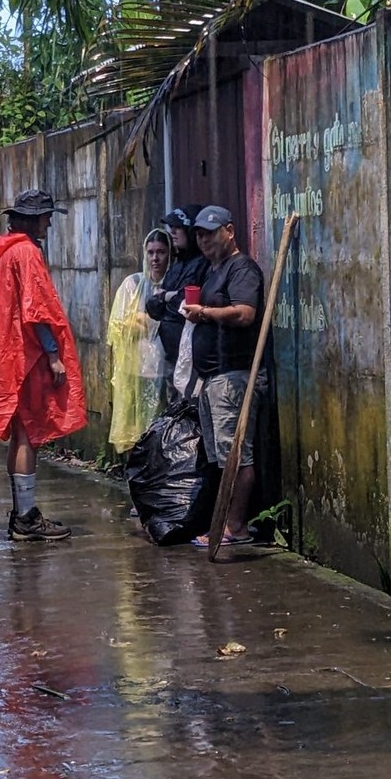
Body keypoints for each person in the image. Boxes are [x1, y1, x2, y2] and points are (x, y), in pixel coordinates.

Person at [0, 187, 87, 542]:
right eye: (46, 217)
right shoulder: (26, 254)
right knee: (27, 435)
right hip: (27, 356)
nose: (49, 223)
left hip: (11, 355)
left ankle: (22, 513)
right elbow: (36, 310)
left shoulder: (10, 253)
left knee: (21, 434)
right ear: (33, 219)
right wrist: (53, 356)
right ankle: (25, 518)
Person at [182, 204, 272, 548]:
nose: (204, 240)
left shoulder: (242, 269)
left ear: (229, 231)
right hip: (213, 377)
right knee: (221, 454)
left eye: (210, 232)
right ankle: (225, 521)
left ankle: (236, 526)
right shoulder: (211, 270)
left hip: (234, 376)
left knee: (236, 453)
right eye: (200, 235)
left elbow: (245, 314)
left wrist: (204, 312)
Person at [106, 228, 172, 452]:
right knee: (136, 434)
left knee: (162, 429)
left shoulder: (173, 285)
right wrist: (141, 321)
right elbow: (117, 328)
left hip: (166, 371)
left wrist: (142, 320)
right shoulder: (132, 285)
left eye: (161, 252)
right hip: (136, 371)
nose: (155, 258)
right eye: (151, 252)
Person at [144, 206, 209, 394]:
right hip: (173, 357)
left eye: (178, 227)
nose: (172, 232)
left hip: (194, 359)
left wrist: (166, 297)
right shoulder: (177, 265)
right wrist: (166, 297)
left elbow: (185, 306)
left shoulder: (202, 264)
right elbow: (153, 306)